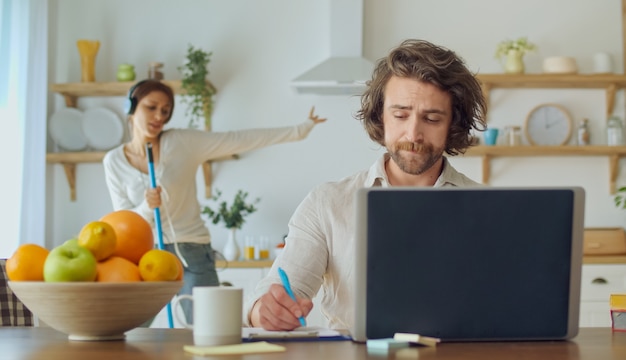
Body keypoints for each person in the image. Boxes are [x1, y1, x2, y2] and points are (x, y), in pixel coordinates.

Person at [245, 39, 488, 331]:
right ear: (380, 117)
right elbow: (277, 290)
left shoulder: (485, 207)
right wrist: (264, 312)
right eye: (400, 115)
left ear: (452, 125)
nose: (414, 133)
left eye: (432, 118)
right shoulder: (327, 203)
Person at [103, 79, 327, 323]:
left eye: (165, 110)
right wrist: (147, 206)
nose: (159, 116)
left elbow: (236, 139)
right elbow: (122, 220)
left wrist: (299, 130)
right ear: (131, 107)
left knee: (206, 328)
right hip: (146, 254)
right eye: (151, 107)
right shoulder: (113, 161)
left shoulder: (182, 143)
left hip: (193, 252)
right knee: (131, 327)